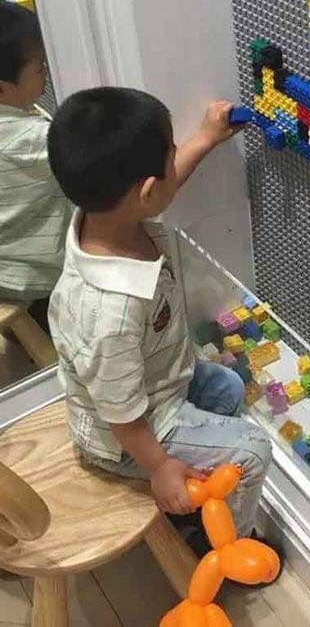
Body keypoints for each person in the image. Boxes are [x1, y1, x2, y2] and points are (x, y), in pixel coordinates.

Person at [47, 87, 271, 548]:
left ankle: (196, 486)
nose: (176, 162)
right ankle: (226, 543)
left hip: (162, 385)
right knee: (253, 449)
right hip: (129, 436)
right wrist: (160, 467)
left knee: (226, 387)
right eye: (173, 156)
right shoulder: (111, 313)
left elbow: (160, 191)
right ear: (147, 190)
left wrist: (206, 139)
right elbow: (120, 414)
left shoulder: (105, 212)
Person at [0, 0, 71, 329]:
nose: (48, 72)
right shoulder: (27, 139)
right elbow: (100, 151)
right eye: (40, 68)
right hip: (29, 278)